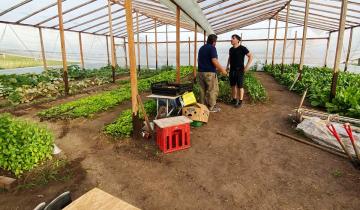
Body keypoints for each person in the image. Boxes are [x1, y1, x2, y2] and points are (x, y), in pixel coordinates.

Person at [197, 34, 227, 113]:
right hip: (209, 73)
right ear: (214, 42)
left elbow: (199, 59)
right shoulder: (212, 48)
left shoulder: (202, 48)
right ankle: (211, 107)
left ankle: (202, 106)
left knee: (202, 90)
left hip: (200, 72)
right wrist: (222, 70)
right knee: (212, 90)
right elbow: (214, 60)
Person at [226, 34, 253, 108]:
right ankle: (234, 99)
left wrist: (247, 67)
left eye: (233, 38)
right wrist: (227, 66)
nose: (231, 39)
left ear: (238, 40)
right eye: (231, 38)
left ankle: (240, 101)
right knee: (233, 85)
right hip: (232, 70)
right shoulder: (231, 49)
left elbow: (250, 56)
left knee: (240, 86)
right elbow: (230, 57)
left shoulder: (242, 48)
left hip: (240, 70)